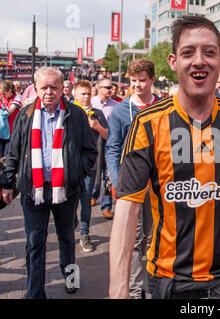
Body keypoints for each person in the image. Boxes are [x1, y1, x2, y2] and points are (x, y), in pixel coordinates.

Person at [109, 15, 220, 299]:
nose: (199, 61)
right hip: (169, 280)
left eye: (209, 52)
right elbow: (128, 208)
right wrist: (118, 287)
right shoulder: (147, 124)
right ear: (173, 61)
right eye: (188, 52)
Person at [0, 67, 97, 298]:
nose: (49, 92)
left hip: (65, 190)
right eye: (44, 87)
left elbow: (90, 152)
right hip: (34, 190)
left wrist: (74, 172)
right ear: (35, 88)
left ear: (62, 88)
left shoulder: (76, 114)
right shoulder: (25, 115)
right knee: (34, 243)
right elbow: (13, 152)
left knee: (67, 239)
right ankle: (34, 292)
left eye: (54, 87)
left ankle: (70, 277)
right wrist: (6, 183)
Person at [105, 58, 158, 299]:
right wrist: (118, 183)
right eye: (133, 81)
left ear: (152, 80)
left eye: (142, 80)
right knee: (135, 240)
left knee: (157, 236)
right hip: (132, 185)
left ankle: (155, 285)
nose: (137, 85)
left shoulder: (164, 107)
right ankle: (136, 291)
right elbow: (112, 148)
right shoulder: (120, 111)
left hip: (160, 185)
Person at [73, 80, 108, 252]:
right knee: (69, 200)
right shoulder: (68, 111)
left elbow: (109, 135)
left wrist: (97, 126)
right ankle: (69, 226)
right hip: (70, 165)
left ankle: (84, 233)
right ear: (75, 95)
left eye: (88, 93)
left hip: (90, 165)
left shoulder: (97, 113)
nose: (86, 97)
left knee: (86, 201)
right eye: (82, 94)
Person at [91, 78, 117, 219]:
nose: (110, 90)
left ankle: (106, 206)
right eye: (107, 87)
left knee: (108, 175)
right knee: (95, 173)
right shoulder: (91, 102)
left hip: (110, 144)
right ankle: (93, 195)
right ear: (99, 88)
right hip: (94, 144)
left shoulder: (116, 105)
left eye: (111, 87)